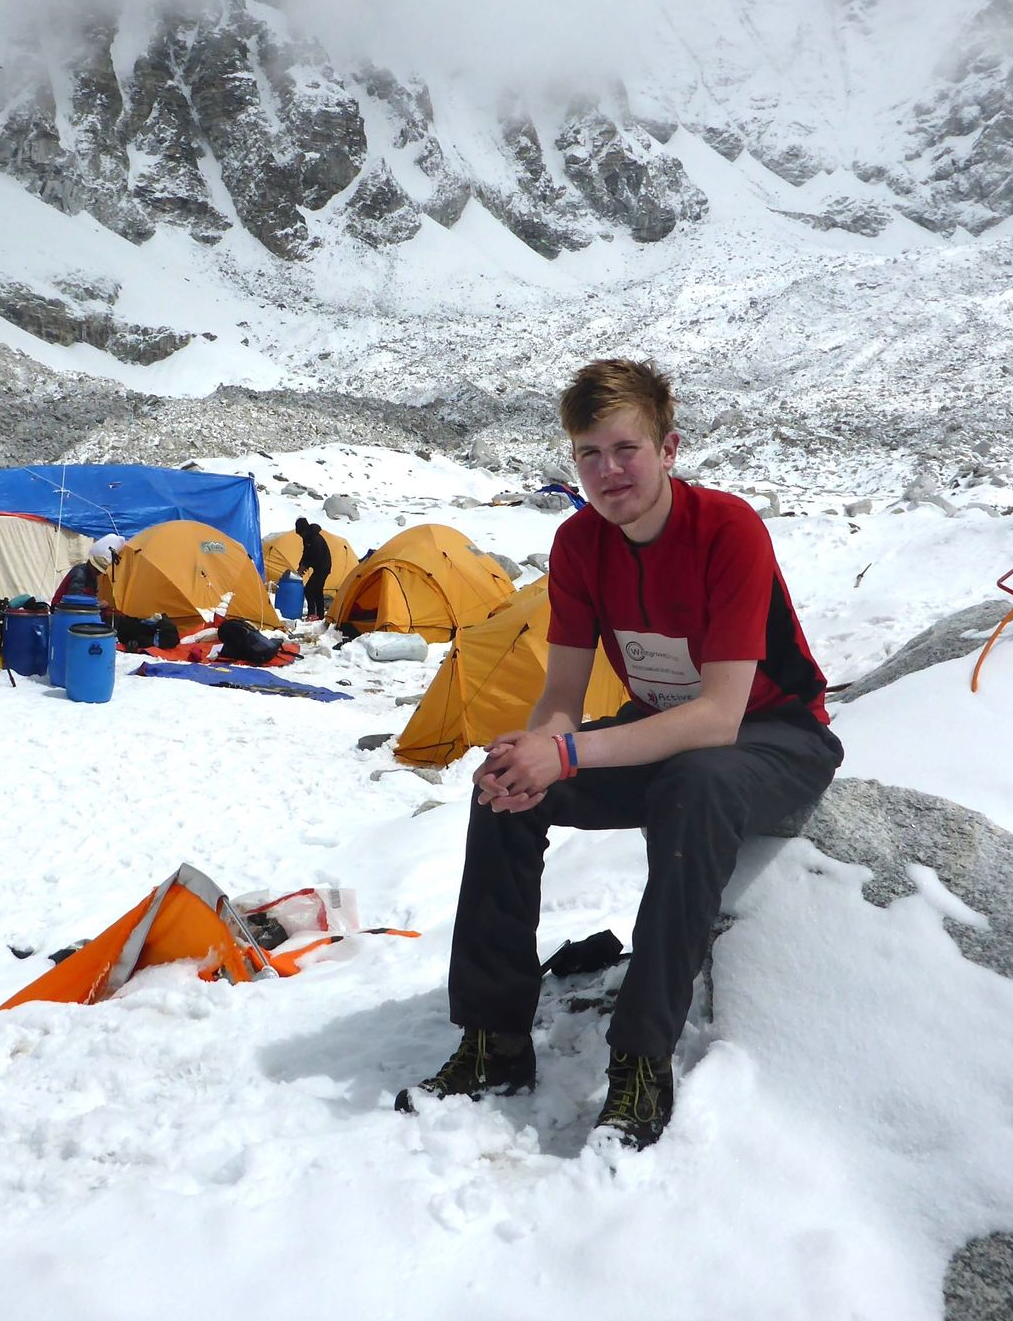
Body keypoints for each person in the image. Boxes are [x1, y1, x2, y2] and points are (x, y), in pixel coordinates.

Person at [396, 358, 843, 1150]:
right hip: (659, 731)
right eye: (587, 454)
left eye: (624, 448)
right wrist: (532, 751)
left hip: (773, 738)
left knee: (697, 784)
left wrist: (567, 755)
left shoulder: (727, 530)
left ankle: (641, 1057)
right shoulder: (578, 545)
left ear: (669, 448)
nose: (607, 472)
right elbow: (562, 694)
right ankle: (494, 1040)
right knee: (505, 790)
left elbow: (717, 715)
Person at [294, 517, 332, 621]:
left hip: (323, 567)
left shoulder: (315, 538)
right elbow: (306, 553)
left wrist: (306, 565)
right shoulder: (307, 538)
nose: (300, 536)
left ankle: (312, 613)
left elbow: (317, 556)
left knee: (309, 590)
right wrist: (302, 564)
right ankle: (319, 615)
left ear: (304, 530)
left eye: (300, 533)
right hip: (319, 567)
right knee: (317, 590)